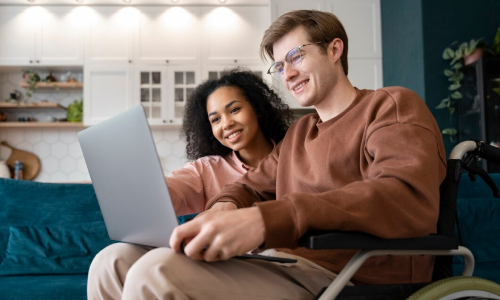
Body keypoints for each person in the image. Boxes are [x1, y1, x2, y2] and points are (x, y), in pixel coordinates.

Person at [88, 10, 447, 300]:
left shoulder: (390, 105)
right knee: (112, 261)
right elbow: (249, 187)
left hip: (351, 277)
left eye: (296, 56)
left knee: (156, 273)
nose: (288, 74)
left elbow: (403, 195)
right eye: (279, 66)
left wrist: (265, 221)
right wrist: (224, 208)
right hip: (287, 266)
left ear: (334, 50)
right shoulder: (301, 133)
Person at [166, 69, 293, 215]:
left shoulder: (295, 153)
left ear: (257, 108)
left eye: (234, 110)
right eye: (215, 119)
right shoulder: (205, 170)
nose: (226, 124)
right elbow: (170, 190)